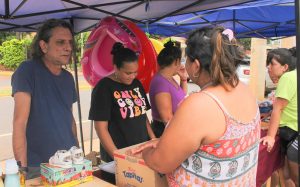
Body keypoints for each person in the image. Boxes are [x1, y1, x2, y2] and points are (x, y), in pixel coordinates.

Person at [132, 26, 261, 186]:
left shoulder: (199, 104)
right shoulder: (244, 89)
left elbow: (160, 163)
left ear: (196, 65)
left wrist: (146, 152)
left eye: (187, 60)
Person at [11, 19, 79, 179]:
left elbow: (70, 120)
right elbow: (19, 123)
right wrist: (22, 169)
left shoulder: (68, 78)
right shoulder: (27, 71)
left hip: (68, 162)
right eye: (60, 42)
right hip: (38, 167)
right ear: (43, 46)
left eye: (70, 42)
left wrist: (78, 153)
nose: (68, 47)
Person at [89, 42, 155, 162]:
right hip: (119, 154)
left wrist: (153, 139)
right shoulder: (104, 87)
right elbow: (100, 128)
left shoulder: (136, 84)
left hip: (141, 151)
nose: (132, 76)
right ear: (116, 68)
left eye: (135, 72)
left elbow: (142, 115)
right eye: (128, 73)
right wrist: (118, 157)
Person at [261, 48, 298, 186]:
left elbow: (278, 108)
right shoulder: (294, 76)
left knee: (290, 176)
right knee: (286, 174)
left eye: (272, 64)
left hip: (290, 132)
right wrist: (269, 114)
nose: (269, 68)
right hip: (292, 131)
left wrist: (270, 136)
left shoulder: (288, 77)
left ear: (285, 67)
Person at [149, 41, 188, 137]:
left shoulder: (169, 78)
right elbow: (167, 119)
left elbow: (181, 95)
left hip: (173, 127)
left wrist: (183, 79)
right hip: (165, 131)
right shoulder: (161, 83)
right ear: (176, 61)